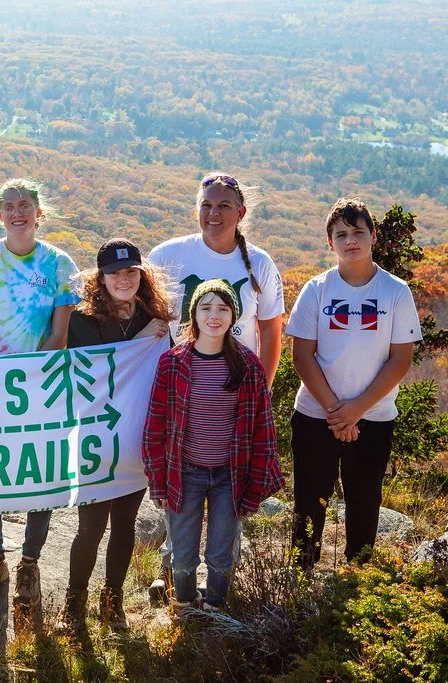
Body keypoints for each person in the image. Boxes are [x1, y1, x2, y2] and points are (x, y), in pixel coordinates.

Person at [145, 172, 285, 603]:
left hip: (234, 399)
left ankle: (214, 598)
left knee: (226, 509)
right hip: (183, 393)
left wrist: (255, 396)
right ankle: (173, 577)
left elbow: (271, 335)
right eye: (207, 204)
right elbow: (145, 323)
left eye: (224, 205)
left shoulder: (258, 264)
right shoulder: (168, 255)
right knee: (182, 502)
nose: (214, 213)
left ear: (241, 213)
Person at [0, 178, 81, 629]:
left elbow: (60, 334)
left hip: (40, 384)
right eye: (8, 206)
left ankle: (28, 561)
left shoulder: (60, 265)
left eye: (25, 204)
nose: (17, 212)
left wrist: (32, 378)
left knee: (38, 469)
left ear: (39, 212)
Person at [286, 198, 420, 569]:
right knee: (309, 500)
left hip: (373, 415)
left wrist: (357, 410)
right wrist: (336, 412)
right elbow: (302, 356)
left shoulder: (395, 292)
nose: (350, 240)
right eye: (341, 234)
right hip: (315, 415)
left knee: (364, 498)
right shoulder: (316, 290)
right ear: (330, 243)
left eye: (358, 232)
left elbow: (400, 359)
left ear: (373, 236)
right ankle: (302, 573)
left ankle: (359, 576)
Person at [62, 238, 173, 633]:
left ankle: (113, 604)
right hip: (94, 437)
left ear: (141, 275)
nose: (123, 279)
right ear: (101, 277)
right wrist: (144, 340)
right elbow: (97, 370)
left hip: (134, 438)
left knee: (125, 524)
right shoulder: (84, 318)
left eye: (131, 272)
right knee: (90, 527)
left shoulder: (153, 314)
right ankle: (72, 608)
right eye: (115, 273)